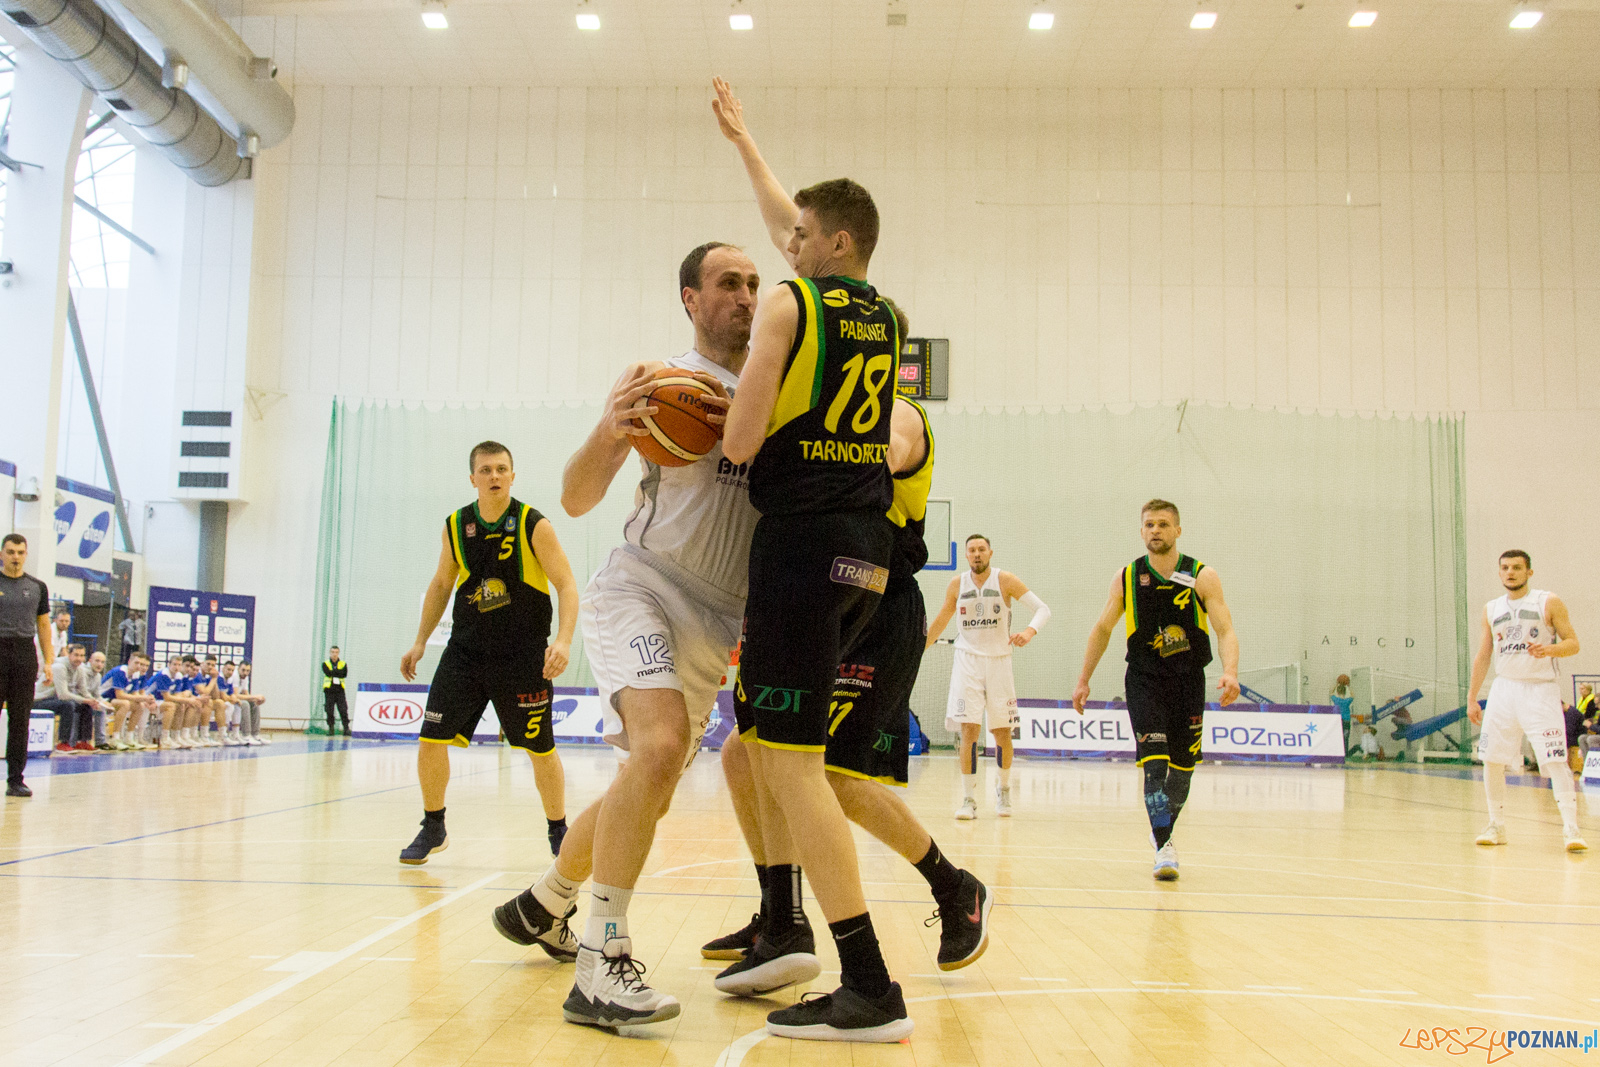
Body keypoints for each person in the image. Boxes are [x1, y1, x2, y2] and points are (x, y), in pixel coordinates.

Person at [491, 239, 759, 1030]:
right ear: (690, 297)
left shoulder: (776, 389)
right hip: (642, 586)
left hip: (721, 617)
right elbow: (574, 497)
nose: (745, 296)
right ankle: (602, 959)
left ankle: (547, 901)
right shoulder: (660, 382)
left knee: (649, 781)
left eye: (753, 283)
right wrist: (611, 430)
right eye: (727, 283)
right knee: (659, 747)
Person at [713, 80, 913, 1041]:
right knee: (780, 757)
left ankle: (866, 980)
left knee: (790, 768)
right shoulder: (886, 315)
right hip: (869, 555)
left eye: (800, 235)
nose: (784, 245)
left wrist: (713, 420)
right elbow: (791, 218)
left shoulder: (788, 309)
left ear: (833, 243)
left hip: (799, 549)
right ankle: (795, 929)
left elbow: (743, 440)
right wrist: (748, 143)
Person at [398, 441, 579, 865]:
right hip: (466, 652)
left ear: (513, 476)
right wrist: (421, 640)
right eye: (486, 469)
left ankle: (558, 829)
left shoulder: (535, 525)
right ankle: (434, 824)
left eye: (501, 469)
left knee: (541, 748)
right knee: (430, 739)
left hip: (522, 655)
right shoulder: (457, 525)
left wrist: (564, 640)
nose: (494, 476)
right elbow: (442, 584)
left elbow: (567, 585)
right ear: (473, 477)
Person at [1073, 499, 1240, 881]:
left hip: (1188, 682)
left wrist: (1230, 672)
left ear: (1177, 531)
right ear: (1142, 530)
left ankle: (1160, 830)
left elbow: (1225, 628)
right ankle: (1164, 846)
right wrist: (1084, 679)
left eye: (1163, 524)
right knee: (1155, 764)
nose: (1155, 531)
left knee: (1181, 773)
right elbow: (1102, 629)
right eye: (1149, 524)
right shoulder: (1127, 577)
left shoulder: (1202, 575)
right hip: (1145, 681)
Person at [924, 534, 1051, 819]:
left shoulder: (1004, 580)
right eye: (972, 550)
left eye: (982, 549)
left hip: (999, 662)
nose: (977, 554)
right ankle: (968, 798)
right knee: (969, 730)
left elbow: (1043, 609)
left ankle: (1003, 791)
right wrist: (920, 647)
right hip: (966, 662)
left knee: (1002, 733)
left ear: (990, 553)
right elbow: (943, 618)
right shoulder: (957, 585)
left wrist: (1029, 632)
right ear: (966, 555)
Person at [1467, 550, 1586, 852]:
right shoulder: (1491, 608)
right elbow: (1483, 655)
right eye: (1505, 568)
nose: (1510, 573)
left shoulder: (1548, 601)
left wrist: (1550, 650)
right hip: (1504, 690)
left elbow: (1573, 643)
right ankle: (1496, 825)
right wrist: (1472, 698)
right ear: (1499, 573)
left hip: (1540, 690)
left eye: (1517, 568)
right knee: (1492, 759)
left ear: (1529, 572)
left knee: (1555, 761)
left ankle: (1571, 830)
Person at [1, 533, 53, 796]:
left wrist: (49, 661)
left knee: (20, 720)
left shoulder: (37, 586)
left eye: (20, 552)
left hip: (23, 652)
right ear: (2, 553)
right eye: (11, 552)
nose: (15, 557)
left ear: (26, 554)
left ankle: (15, 780)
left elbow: (43, 625)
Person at [36, 644, 93, 752]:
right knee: (68, 705)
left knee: (86, 706)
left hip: (55, 700)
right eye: (76, 655)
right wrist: (86, 699)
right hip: (40, 700)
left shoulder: (80, 669)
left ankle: (83, 742)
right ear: (69, 655)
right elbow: (63, 695)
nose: (79, 658)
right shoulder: (59, 667)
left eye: (82, 655)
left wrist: (94, 701)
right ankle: (63, 743)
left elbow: (84, 691)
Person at [103, 651, 155, 749]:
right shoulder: (120, 671)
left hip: (114, 699)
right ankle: (115, 738)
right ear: (129, 661)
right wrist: (143, 698)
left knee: (140, 705)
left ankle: (129, 738)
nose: (139, 666)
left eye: (141, 664)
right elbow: (120, 695)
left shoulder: (136, 674)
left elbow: (135, 694)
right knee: (125, 703)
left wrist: (146, 700)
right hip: (103, 698)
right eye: (137, 663)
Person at [233, 661, 268, 745]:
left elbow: (246, 694)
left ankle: (255, 734)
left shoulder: (245, 678)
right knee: (245, 704)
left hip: (237, 698)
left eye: (248, 671)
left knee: (254, 704)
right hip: (230, 698)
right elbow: (236, 695)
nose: (245, 673)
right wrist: (254, 697)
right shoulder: (235, 676)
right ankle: (246, 735)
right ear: (238, 669)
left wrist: (257, 700)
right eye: (243, 670)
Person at [321, 646, 350, 736]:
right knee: (329, 710)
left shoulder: (343, 663)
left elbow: (344, 674)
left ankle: (346, 728)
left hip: (340, 690)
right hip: (329, 690)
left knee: (343, 709)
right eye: (333, 652)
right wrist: (337, 672)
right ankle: (331, 729)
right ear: (330, 653)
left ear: (338, 653)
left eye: (336, 652)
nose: (334, 654)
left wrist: (334, 672)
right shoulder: (325, 663)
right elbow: (328, 673)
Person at [1331, 674, 1355, 752]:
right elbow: (1353, 695)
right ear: (1345, 692)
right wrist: (1348, 686)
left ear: (1337, 692)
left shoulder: (1336, 700)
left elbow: (1331, 692)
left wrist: (1336, 684)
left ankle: (1337, 751)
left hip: (1338, 720)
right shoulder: (1347, 701)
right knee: (1346, 737)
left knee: (1337, 736)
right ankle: (1346, 752)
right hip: (1346, 720)